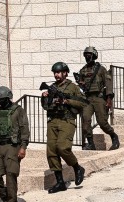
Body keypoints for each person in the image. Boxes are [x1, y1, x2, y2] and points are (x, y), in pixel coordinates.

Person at [41, 62, 86, 193]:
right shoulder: (52, 87)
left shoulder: (73, 87)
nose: (56, 75)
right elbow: (46, 106)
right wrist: (44, 98)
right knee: (51, 152)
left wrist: (66, 101)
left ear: (65, 73)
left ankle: (77, 168)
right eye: (55, 72)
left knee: (63, 147)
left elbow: (83, 102)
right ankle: (60, 182)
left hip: (67, 120)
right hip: (53, 121)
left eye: (59, 72)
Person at [0, 86, 29, 202]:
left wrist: (23, 147)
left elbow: (24, 129)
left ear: (8, 98)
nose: (0, 102)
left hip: (13, 146)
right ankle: (5, 198)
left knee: (11, 175)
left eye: (2, 99)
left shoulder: (18, 110)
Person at [76, 46, 119, 151]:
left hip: (99, 98)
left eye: (89, 55)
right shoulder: (82, 71)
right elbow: (81, 87)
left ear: (94, 56)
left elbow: (108, 84)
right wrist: (81, 84)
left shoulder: (101, 69)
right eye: (86, 55)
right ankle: (91, 144)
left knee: (102, 122)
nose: (87, 57)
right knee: (85, 121)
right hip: (87, 99)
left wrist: (109, 99)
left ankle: (114, 136)